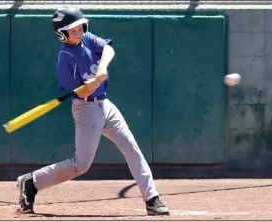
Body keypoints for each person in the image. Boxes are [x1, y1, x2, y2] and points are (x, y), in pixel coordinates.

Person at [16, 6, 170, 216]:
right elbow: (83, 92)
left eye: (80, 26)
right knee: (81, 164)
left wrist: (101, 70)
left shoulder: (87, 38)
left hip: (105, 105)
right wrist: (89, 85)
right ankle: (32, 182)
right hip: (86, 109)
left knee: (131, 148)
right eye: (73, 29)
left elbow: (108, 49)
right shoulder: (65, 59)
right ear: (62, 33)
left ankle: (152, 198)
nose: (79, 31)